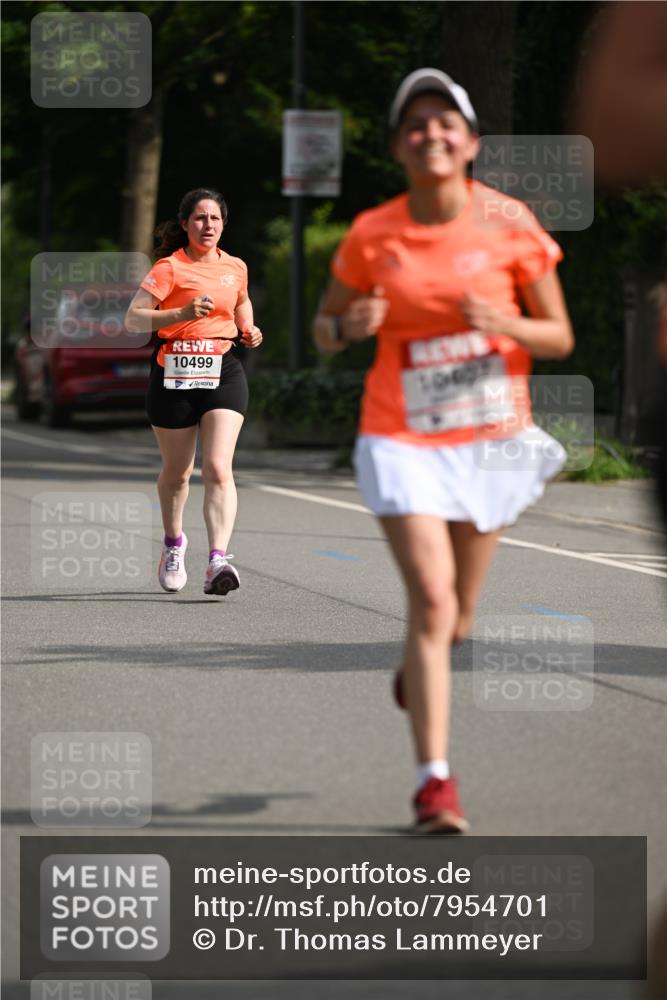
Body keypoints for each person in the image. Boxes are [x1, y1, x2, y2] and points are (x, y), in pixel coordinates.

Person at [313, 69, 574, 833]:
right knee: (428, 602)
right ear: (398, 147)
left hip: (490, 439)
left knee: (456, 620)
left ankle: (417, 669)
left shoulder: (510, 224)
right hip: (401, 437)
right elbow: (325, 328)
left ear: (471, 144)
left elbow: (557, 337)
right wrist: (349, 326)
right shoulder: (373, 233)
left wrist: (505, 320)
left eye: (445, 123)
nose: (431, 135)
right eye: (415, 126)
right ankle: (435, 784)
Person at [125, 187, 262, 595]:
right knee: (179, 472)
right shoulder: (169, 268)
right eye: (200, 218)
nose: (208, 225)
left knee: (219, 467)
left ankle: (218, 559)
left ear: (223, 224)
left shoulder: (235, 266)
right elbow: (134, 319)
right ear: (185, 224)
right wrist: (182, 313)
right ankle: (173, 544)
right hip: (174, 374)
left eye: (215, 218)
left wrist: (249, 329)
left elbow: (242, 302)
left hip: (223, 368)